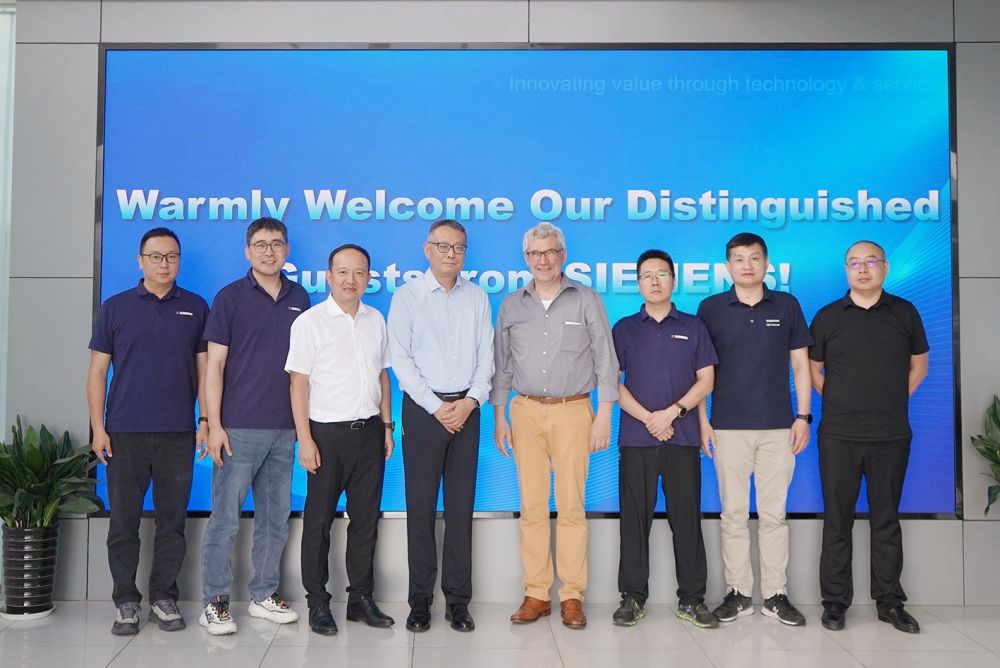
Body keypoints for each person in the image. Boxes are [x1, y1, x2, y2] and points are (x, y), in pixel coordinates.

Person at [491, 222, 618, 629]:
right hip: (524, 411)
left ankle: (572, 595)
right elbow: (502, 365)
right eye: (534, 253)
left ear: (563, 255)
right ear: (525, 258)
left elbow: (606, 361)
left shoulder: (586, 299)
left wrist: (604, 415)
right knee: (531, 506)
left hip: (573, 410)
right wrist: (499, 416)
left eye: (549, 252)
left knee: (571, 506)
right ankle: (536, 593)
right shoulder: (512, 305)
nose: (542, 260)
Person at [87, 227, 208, 635]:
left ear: (179, 261)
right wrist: (98, 428)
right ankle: (125, 601)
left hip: (178, 432)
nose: (164, 264)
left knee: (172, 522)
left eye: (171, 256)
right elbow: (97, 371)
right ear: (140, 261)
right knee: (123, 522)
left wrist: (205, 420)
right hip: (124, 433)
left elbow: (205, 371)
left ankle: (163, 597)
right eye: (155, 256)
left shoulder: (195, 306)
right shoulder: (115, 307)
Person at [809, 240, 929, 634]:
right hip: (838, 435)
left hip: (890, 434)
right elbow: (814, 370)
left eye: (870, 262)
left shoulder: (904, 312)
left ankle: (889, 602)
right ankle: (835, 602)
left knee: (886, 519)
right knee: (837, 519)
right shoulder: (827, 316)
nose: (862, 269)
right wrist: (840, 401)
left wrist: (890, 401)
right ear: (846, 269)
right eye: (854, 263)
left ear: (885, 267)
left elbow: (919, 366)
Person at [199, 217, 311, 636]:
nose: (269, 251)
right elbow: (214, 366)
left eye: (276, 244)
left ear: (287, 250)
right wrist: (213, 423)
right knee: (225, 520)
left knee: (274, 519)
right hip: (238, 429)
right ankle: (214, 601)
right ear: (248, 251)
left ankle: (264, 594)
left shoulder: (300, 297)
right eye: (260, 245)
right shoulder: (229, 297)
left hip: (285, 428)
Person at [697, 232, 812, 626]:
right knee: (732, 514)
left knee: (773, 515)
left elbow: (801, 364)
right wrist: (703, 422)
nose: (747, 265)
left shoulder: (787, 305)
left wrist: (803, 417)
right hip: (727, 427)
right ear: (727, 266)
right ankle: (739, 593)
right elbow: (701, 372)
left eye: (754, 258)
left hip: (779, 427)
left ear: (767, 263)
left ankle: (777, 595)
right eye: (739, 259)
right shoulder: (711, 309)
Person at [387, 219, 493, 633]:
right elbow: (401, 360)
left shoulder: (478, 297)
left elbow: (487, 357)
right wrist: (436, 407)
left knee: (461, 509)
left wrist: (471, 401)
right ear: (427, 249)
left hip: (467, 410)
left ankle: (458, 602)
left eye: (459, 247)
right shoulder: (407, 297)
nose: (451, 254)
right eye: (443, 246)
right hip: (422, 411)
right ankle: (419, 601)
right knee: (421, 508)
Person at [286, 243, 396, 636]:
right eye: (343, 272)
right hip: (325, 435)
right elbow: (298, 385)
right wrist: (305, 440)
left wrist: (387, 426)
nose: (351, 280)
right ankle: (317, 602)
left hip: (369, 433)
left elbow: (382, 375)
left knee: (365, 521)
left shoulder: (375, 319)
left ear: (368, 278)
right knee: (318, 522)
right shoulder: (310, 322)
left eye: (359, 272)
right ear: (329, 276)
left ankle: (360, 599)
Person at [611, 249, 718, 629]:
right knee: (633, 521)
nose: (654, 281)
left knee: (686, 520)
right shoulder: (624, 328)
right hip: (636, 438)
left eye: (661, 274)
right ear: (638, 283)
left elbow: (706, 380)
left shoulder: (693, 326)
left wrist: (672, 413)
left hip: (682, 437)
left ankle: (692, 598)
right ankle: (632, 597)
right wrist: (649, 419)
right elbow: (612, 383)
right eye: (646, 275)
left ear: (674, 280)